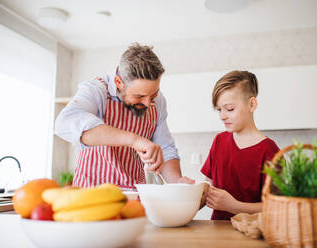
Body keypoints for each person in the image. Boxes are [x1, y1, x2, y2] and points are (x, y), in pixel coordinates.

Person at [55, 43, 194, 189]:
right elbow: (65, 122)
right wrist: (134, 140)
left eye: (153, 94)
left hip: (135, 196)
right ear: (118, 82)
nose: (148, 103)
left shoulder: (158, 102)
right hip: (91, 196)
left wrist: (177, 182)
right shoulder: (97, 91)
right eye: (139, 96)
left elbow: (165, 149)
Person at [200, 70, 279, 220]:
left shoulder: (270, 151)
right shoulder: (219, 141)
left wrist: (233, 206)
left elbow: (276, 207)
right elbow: (208, 185)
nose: (222, 116)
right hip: (217, 232)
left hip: (252, 234)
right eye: (219, 110)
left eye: (230, 109)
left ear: (252, 104)